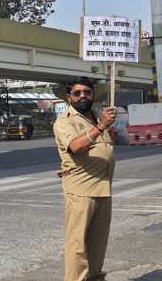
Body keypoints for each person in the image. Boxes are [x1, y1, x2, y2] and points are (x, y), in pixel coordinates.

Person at [52, 77, 115, 281]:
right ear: (69, 97)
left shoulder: (96, 117)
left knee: (98, 243)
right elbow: (76, 147)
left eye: (87, 92)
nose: (82, 96)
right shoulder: (65, 121)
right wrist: (101, 127)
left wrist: (101, 125)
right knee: (78, 246)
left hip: (103, 188)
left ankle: (95, 277)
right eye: (77, 93)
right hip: (81, 190)